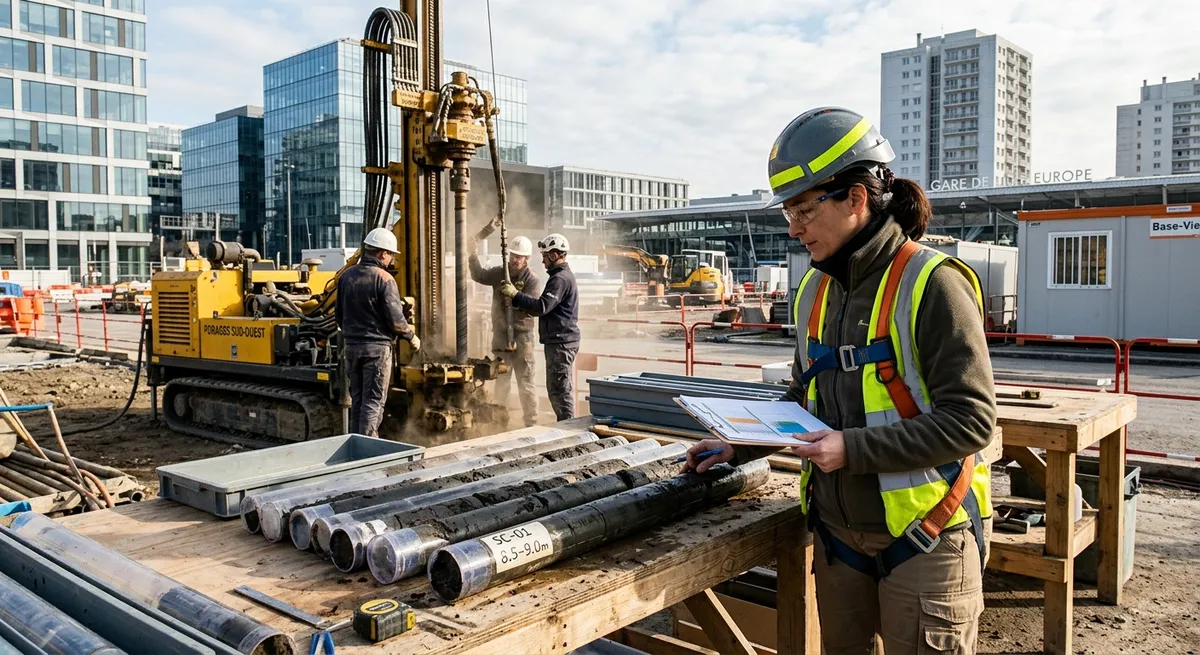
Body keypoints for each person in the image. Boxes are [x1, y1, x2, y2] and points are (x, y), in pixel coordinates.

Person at [683, 107, 996, 654]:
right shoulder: (813, 292)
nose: (794, 226)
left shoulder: (932, 284)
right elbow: (805, 399)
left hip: (927, 540)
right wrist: (738, 444)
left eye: (804, 207)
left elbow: (971, 422)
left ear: (856, 197)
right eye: (788, 210)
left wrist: (850, 449)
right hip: (837, 542)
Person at [335, 227, 421, 437]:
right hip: (376, 350)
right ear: (382, 253)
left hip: (352, 348)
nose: (392, 260)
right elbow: (396, 320)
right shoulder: (384, 279)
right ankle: (367, 449)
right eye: (391, 255)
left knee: (358, 401)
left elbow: (339, 315)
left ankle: (354, 445)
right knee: (373, 402)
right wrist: (411, 336)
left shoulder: (346, 277)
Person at [500, 233, 579, 422]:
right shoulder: (560, 276)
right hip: (559, 341)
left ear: (553, 255)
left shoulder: (559, 279)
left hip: (561, 343)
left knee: (559, 391)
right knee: (557, 389)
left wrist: (515, 295)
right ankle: (566, 426)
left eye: (544, 256)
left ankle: (568, 429)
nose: (542, 261)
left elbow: (542, 307)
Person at [469, 235, 543, 427]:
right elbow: (479, 275)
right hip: (501, 335)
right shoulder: (501, 273)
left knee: (525, 381)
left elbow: (534, 308)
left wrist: (515, 295)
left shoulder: (532, 280)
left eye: (519, 257)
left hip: (522, 337)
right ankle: (499, 421)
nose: (515, 259)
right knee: (501, 380)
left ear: (526, 259)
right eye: (513, 255)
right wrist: (473, 254)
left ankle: (531, 423)